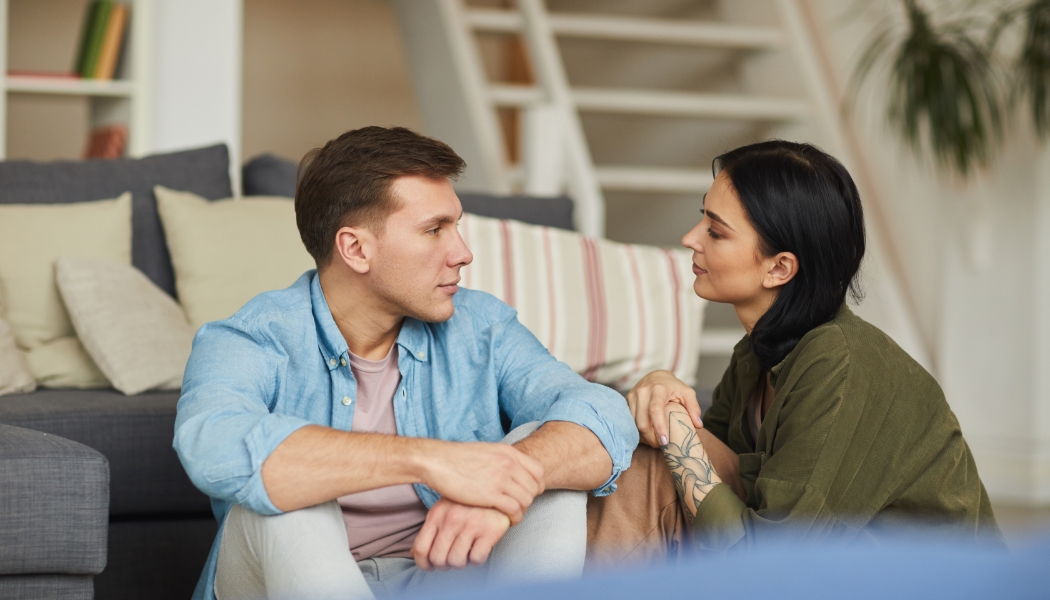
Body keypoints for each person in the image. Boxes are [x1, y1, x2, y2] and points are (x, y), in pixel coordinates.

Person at [173, 126, 638, 600]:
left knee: (536, 457)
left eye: (455, 227)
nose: (462, 253)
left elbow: (600, 412)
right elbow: (210, 444)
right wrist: (430, 460)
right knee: (290, 491)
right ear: (355, 248)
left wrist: (507, 481)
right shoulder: (249, 337)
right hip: (286, 581)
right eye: (434, 229)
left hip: (446, 579)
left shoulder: (482, 326)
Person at [588, 140, 1000, 558]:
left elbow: (770, 561)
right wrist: (661, 388)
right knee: (645, 459)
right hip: (824, 570)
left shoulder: (838, 363)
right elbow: (707, 464)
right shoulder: (756, 353)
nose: (690, 238)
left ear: (779, 267)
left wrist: (672, 429)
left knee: (653, 462)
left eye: (715, 231)